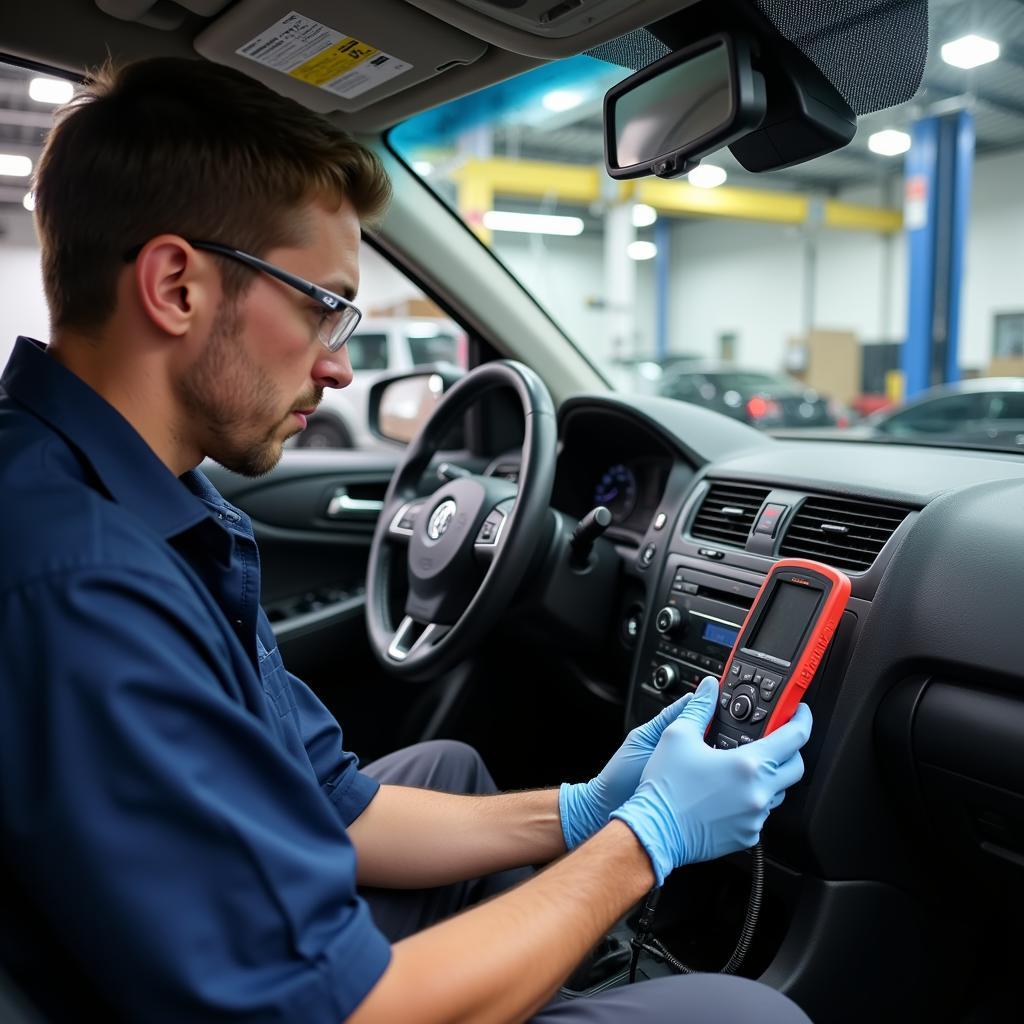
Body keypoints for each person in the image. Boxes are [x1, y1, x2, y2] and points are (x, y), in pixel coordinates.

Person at [0, 57, 813, 1023]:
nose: (341, 365)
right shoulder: (84, 585)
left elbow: (337, 805)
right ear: (177, 286)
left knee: (450, 769)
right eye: (324, 306)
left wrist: (586, 807)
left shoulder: (138, 503)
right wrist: (645, 841)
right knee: (752, 1016)